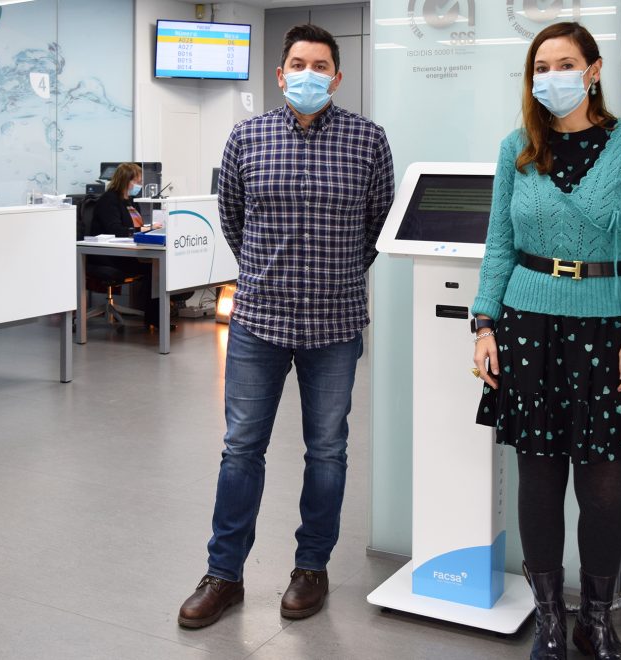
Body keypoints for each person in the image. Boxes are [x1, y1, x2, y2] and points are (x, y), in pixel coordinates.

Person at [178, 24, 394, 628]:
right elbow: (233, 218)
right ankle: (223, 574)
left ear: (337, 77)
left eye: (320, 66)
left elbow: (377, 224)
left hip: (335, 322)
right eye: (298, 64)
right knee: (241, 448)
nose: (308, 74)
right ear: (280, 74)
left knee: (326, 451)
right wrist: (266, 272)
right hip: (258, 321)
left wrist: (336, 275)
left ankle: (311, 568)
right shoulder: (247, 137)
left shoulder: (368, 140)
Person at [471, 22, 621, 660]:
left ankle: (597, 620)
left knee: (604, 487)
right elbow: (499, 243)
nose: (551, 76)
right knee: (539, 479)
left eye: (564, 63)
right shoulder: (517, 148)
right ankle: (551, 620)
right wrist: (484, 323)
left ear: (593, 70)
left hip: (608, 329)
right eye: (541, 66)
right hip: (529, 325)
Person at [88, 162, 162, 326]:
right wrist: (145, 229)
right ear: (125, 180)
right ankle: (154, 319)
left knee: (158, 266)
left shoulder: (130, 201)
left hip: (128, 251)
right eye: (137, 181)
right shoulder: (109, 200)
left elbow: (133, 226)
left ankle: (156, 317)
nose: (139, 185)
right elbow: (116, 230)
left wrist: (148, 229)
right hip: (109, 256)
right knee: (154, 269)